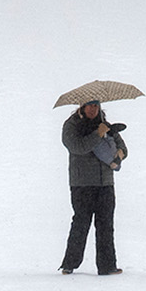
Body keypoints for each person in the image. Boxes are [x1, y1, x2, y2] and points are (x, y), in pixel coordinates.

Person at [60, 100, 128, 275]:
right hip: (82, 183)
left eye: (96, 106)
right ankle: (69, 264)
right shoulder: (72, 126)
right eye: (90, 106)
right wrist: (98, 134)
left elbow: (122, 147)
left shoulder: (105, 124)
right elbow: (77, 147)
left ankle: (108, 266)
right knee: (81, 223)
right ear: (82, 107)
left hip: (105, 183)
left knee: (106, 224)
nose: (93, 109)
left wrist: (119, 156)